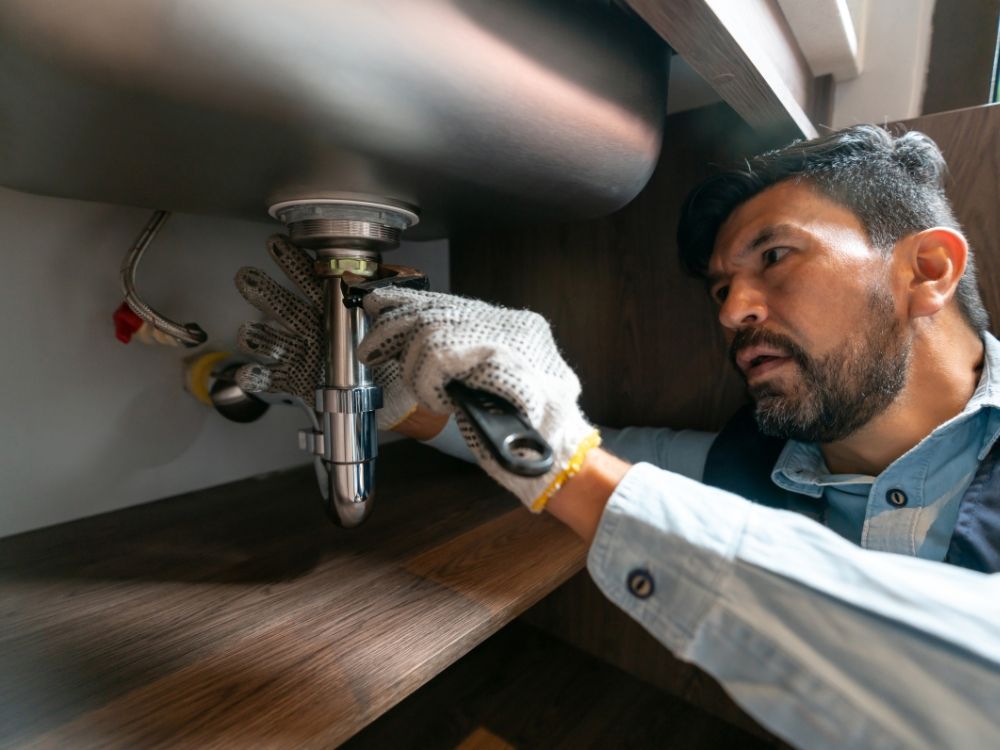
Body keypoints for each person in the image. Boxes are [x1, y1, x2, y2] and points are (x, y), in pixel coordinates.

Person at [236, 125, 1000, 750]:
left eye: (775, 256)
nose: (733, 311)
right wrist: (388, 397)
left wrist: (568, 466)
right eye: (720, 286)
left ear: (926, 269)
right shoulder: (762, 466)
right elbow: (595, 446)